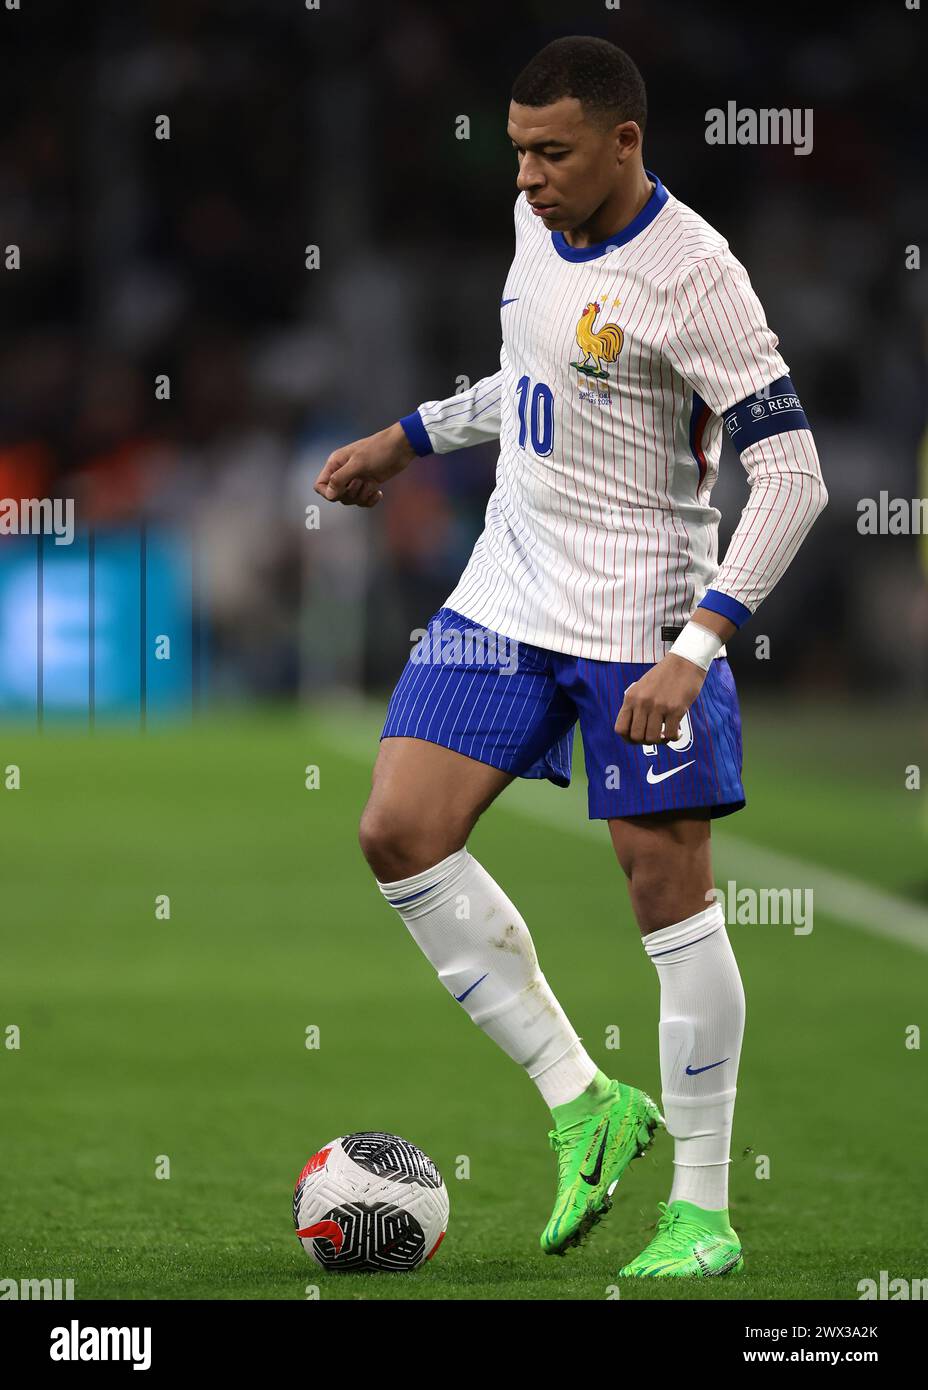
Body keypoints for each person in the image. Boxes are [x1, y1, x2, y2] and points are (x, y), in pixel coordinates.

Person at [315, 35, 827, 1279]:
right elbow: (534, 376)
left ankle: (701, 1212)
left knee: (668, 896)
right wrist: (411, 433)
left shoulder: (695, 275)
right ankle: (583, 1098)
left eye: (551, 153)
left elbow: (798, 478)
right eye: (517, 152)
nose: (529, 177)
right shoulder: (533, 219)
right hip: (506, 586)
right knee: (396, 830)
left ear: (623, 143)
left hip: (639, 618)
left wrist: (697, 649)